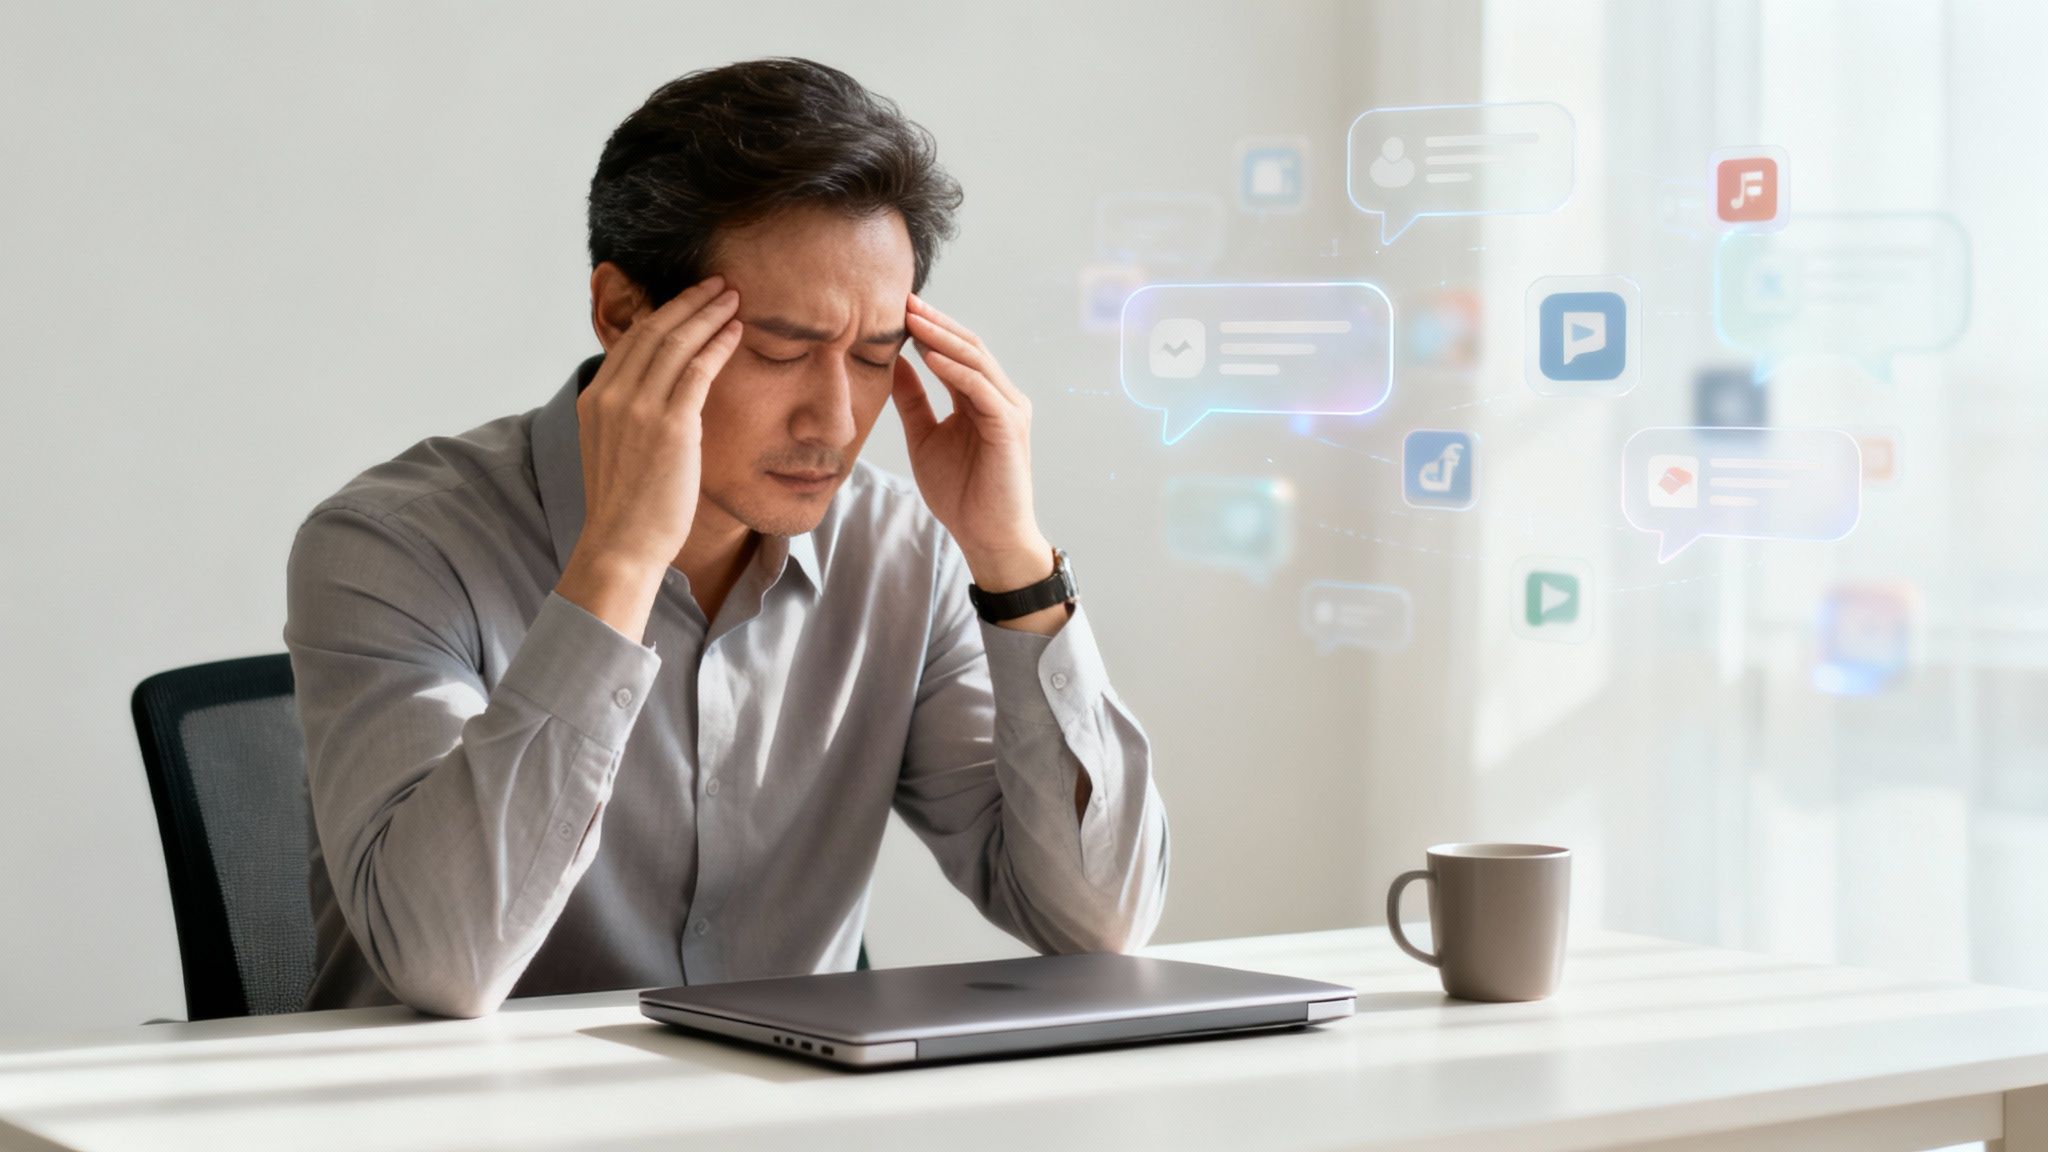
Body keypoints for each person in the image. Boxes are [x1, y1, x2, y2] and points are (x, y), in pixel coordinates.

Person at [283, 58, 1170, 1017]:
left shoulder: (905, 553)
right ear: (624, 314)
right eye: (780, 350)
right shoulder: (393, 546)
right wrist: (618, 561)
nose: (833, 419)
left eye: (876, 357)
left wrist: (1014, 566)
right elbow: (444, 962)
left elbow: (1099, 928)